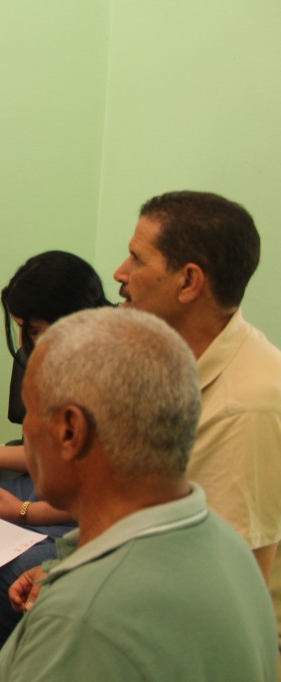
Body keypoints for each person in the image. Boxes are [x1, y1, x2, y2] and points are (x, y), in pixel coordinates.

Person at [0, 308, 276, 680]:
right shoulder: (227, 544)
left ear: (71, 431)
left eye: (31, 410)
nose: (25, 428)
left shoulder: (82, 619)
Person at [114, 190, 281, 649]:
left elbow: (225, 593)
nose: (120, 274)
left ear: (188, 282)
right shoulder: (173, 358)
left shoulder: (247, 406)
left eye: (135, 258)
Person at [0, 250, 110, 680]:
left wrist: (22, 512)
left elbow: (103, 499)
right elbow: (53, 454)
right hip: (75, 503)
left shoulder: (108, 374)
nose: (27, 342)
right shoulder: (90, 349)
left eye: (31, 329)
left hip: (87, 519)